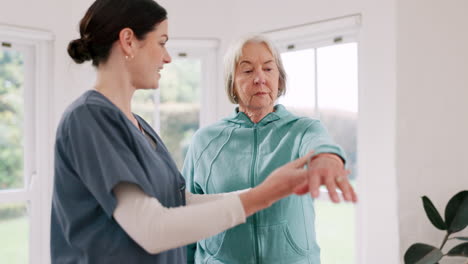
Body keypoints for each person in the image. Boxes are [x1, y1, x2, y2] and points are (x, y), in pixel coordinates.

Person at [50, 1, 326, 263]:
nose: (167, 57)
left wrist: (265, 191)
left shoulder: (140, 126)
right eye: (162, 43)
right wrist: (259, 197)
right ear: (128, 41)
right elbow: (151, 228)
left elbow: (177, 201)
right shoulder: (88, 118)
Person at [183, 34, 358, 264]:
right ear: (231, 83)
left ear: (280, 79)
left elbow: (321, 146)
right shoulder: (205, 141)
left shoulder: (303, 130)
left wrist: (327, 159)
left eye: (268, 69)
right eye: (247, 71)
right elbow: (186, 218)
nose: (260, 78)